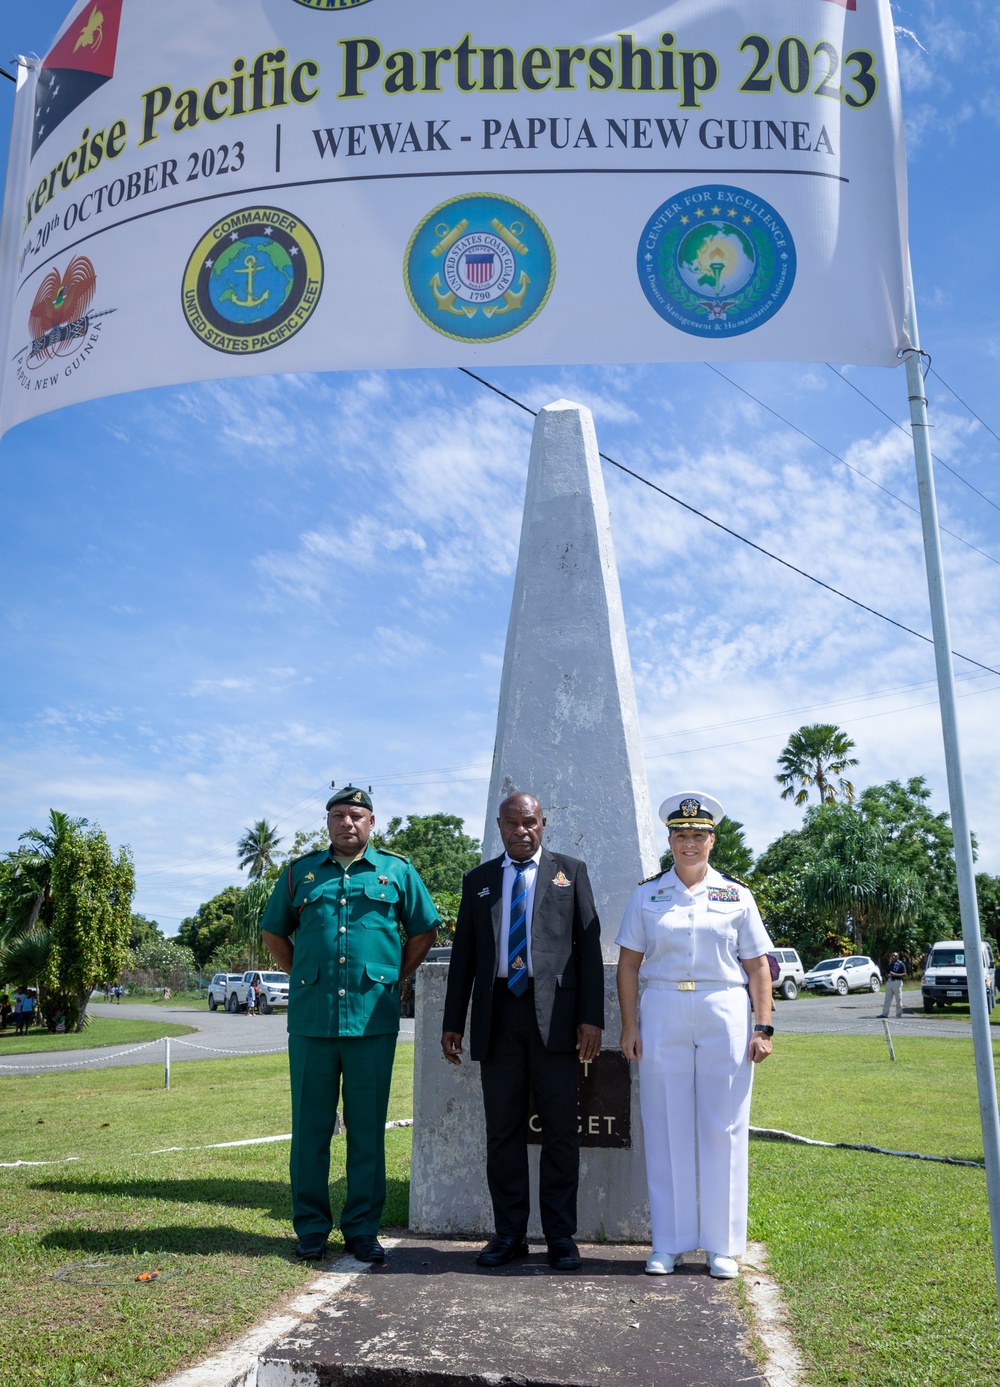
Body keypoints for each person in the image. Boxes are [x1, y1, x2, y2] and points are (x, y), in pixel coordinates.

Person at [261, 785, 439, 1263]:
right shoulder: (300, 873)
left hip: (371, 1020)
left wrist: (396, 976)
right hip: (312, 1022)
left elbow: (424, 929)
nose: (347, 823)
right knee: (310, 1129)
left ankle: (362, 1228)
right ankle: (312, 1229)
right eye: (338, 815)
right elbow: (273, 930)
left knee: (367, 1131)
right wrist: (303, 971)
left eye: (356, 816)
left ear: (371, 822)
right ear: (328, 823)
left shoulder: (396, 871)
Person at [442, 791, 604, 1272]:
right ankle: (509, 1233)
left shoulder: (569, 872)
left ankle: (560, 1236)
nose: (521, 830)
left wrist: (591, 1018)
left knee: (560, 1132)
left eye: (529, 822)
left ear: (543, 822)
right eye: (512, 823)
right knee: (503, 1132)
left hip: (555, 1019)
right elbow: (464, 959)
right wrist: (454, 1021)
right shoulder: (479, 881)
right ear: (499, 825)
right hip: (498, 1016)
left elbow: (589, 951)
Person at [616, 792, 774, 1281]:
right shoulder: (647, 895)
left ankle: (722, 1245)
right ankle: (668, 1242)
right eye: (681, 835)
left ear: (712, 840)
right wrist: (629, 1025)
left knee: (723, 1125)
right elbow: (628, 965)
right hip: (662, 1006)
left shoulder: (736, 895)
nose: (689, 843)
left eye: (698, 835)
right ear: (669, 840)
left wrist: (763, 1025)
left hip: (724, 1007)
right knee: (666, 1125)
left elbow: (757, 967)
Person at [881, 952, 906, 1018]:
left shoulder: (901, 964)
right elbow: (886, 973)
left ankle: (898, 1014)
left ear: (898, 957)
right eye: (892, 956)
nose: (893, 957)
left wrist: (895, 974)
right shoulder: (889, 965)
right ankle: (885, 1014)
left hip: (897, 982)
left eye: (895, 956)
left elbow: (904, 974)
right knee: (887, 999)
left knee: (898, 999)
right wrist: (888, 975)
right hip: (889, 982)